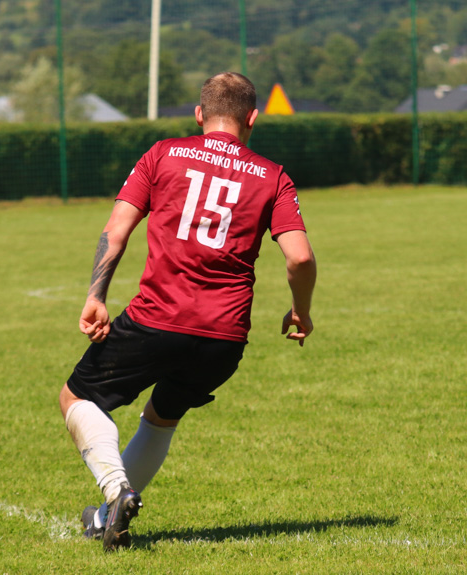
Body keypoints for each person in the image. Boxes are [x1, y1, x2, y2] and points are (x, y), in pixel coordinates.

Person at [58, 72, 317, 549]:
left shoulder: (162, 154)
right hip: (224, 337)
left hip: (158, 317)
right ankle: (103, 517)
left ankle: (116, 490)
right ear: (253, 118)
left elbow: (116, 230)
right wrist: (301, 311)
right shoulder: (273, 174)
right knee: (161, 417)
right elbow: (300, 257)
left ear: (199, 115)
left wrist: (97, 294)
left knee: (77, 398)